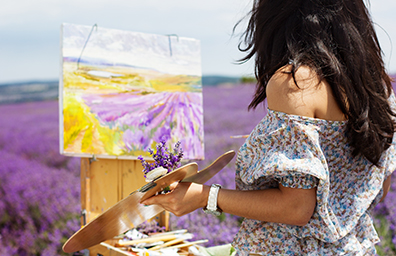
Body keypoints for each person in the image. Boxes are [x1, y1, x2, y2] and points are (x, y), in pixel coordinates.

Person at [142, 0, 396, 255]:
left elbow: (296, 209)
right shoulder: (378, 89)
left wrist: (204, 196)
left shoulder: (297, 82)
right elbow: (378, 190)